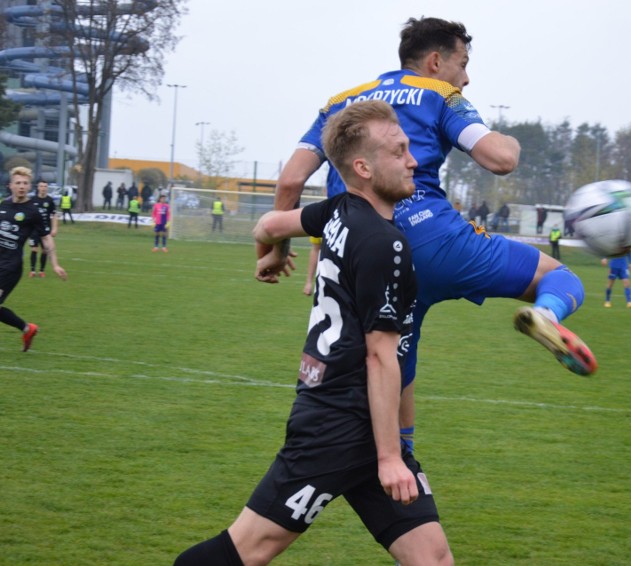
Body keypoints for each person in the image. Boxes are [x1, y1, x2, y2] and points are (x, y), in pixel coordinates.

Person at [259, 16, 597, 451]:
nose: (467, 76)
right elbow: (498, 159)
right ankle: (546, 317)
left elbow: (289, 182)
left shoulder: (342, 103)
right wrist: (511, 140)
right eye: (463, 63)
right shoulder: (439, 94)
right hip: (436, 241)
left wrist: (274, 249)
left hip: (363, 253)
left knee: (396, 359)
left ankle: (402, 462)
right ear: (436, 61)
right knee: (562, 280)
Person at [180, 100, 452, 566]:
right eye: (400, 151)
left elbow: (267, 223)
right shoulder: (383, 242)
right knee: (245, 550)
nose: (414, 161)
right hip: (336, 426)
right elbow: (381, 358)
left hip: (368, 423)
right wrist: (391, 458)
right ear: (363, 167)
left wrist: (269, 252)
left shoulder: (338, 210)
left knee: (432, 558)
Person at [1, 167, 68, 351]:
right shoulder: (3, 206)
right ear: (11, 185)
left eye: (25, 183)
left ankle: (27, 328)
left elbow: (46, 239)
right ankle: (27, 328)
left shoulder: (33, 211)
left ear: (29, 186)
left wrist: (54, 264)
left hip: (10, 266)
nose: (22, 186)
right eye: (18, 183)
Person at [28, 179, 58, 278]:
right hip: (34, 230)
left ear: (47, 188)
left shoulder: (49, 200)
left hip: (45, 230)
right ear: (38, 187)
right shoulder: (32, 200)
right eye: (41, 186)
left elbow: (54, 215)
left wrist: (54, 228)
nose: (43, 188)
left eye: (45, 186)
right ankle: (32, 270)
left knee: (45, 250)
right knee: (34, 249)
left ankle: (41, 271)